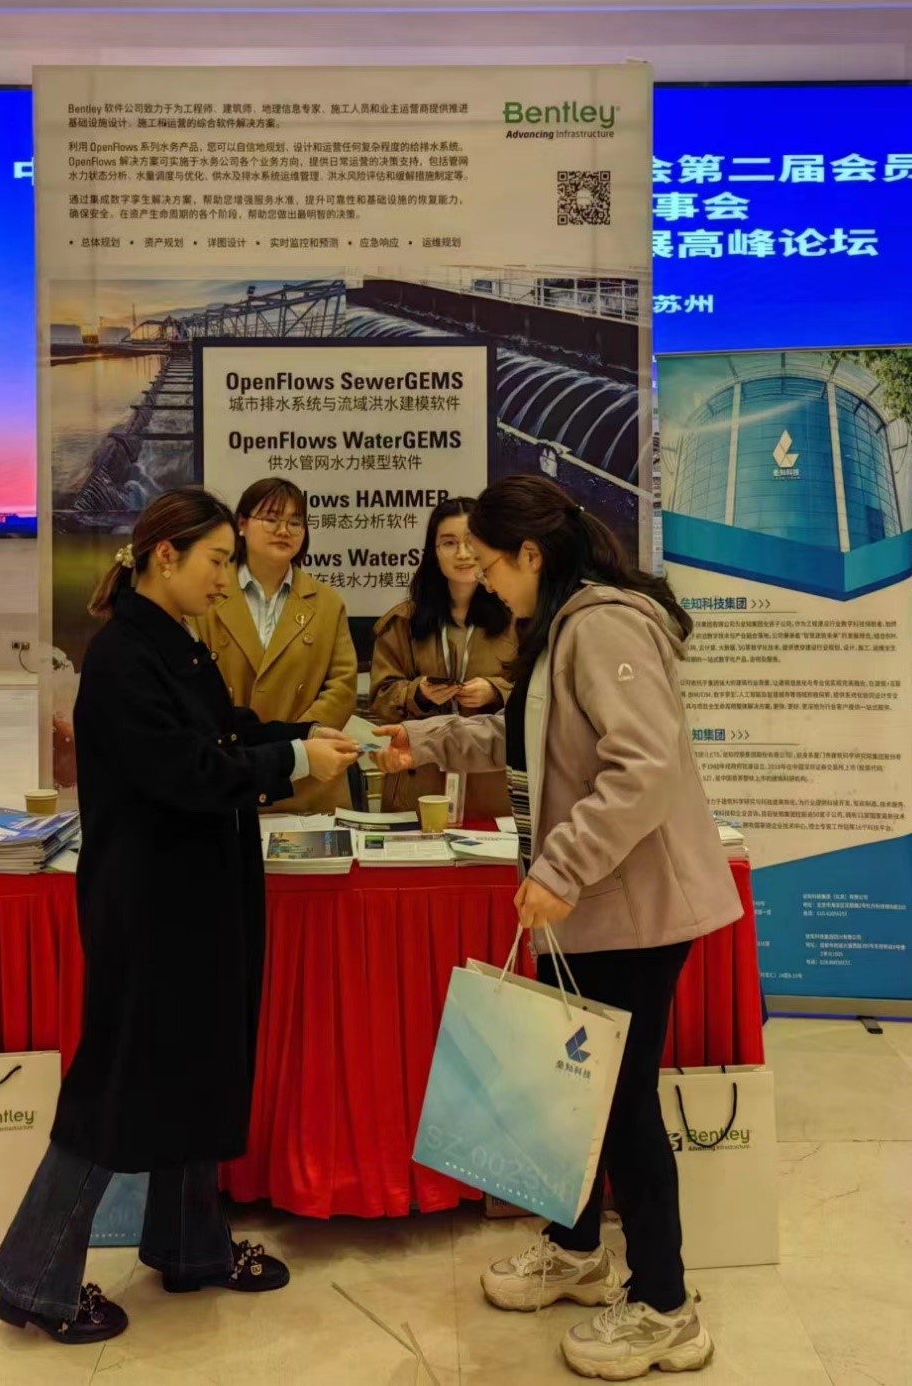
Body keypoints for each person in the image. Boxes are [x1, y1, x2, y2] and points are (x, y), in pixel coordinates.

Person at [374, 474, 740, 1382]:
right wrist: (421, 741)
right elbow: (532, 742)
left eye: (492, 562)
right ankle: (577, 1251)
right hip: (588, 908)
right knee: (578, 1094)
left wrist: (561, 866)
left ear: (531, 554)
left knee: (620, 1105)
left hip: (631, 910)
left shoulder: (602, 624)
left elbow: (643, 767)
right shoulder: (561, 625)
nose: (484, 579)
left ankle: (666, 1309)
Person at [0, 488, 359, 1345]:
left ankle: (191, 1243)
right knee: (117, 1083)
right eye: (217, 560)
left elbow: (229, 731)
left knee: (200, 1065)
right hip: (151, 906)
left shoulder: (176, 643)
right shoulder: (124, 657)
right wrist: (293, 758)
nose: (226, 578)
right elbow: (189, 770)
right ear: (166, 556)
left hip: (198, 896)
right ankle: (33, 1277)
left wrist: (313, 735)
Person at [196, 478, 358, 813]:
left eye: (295, 522)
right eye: (271, 519)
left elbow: (342, 686)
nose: (283, 530)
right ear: (242, 524)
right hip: (233, 770)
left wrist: (298, 744)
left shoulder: (326, 602)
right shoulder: (208, 594)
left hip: (311, 778)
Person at [369, 497, 517, 819]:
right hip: (418, 777)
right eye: (449, 543)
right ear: (433, 552)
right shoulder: (403, 622)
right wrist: (418, 693)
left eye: (471, 542)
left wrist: (496, 691)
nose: (462, 554)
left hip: (490, 784)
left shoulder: (517, 620)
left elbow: (539, 697)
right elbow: (380, 698)